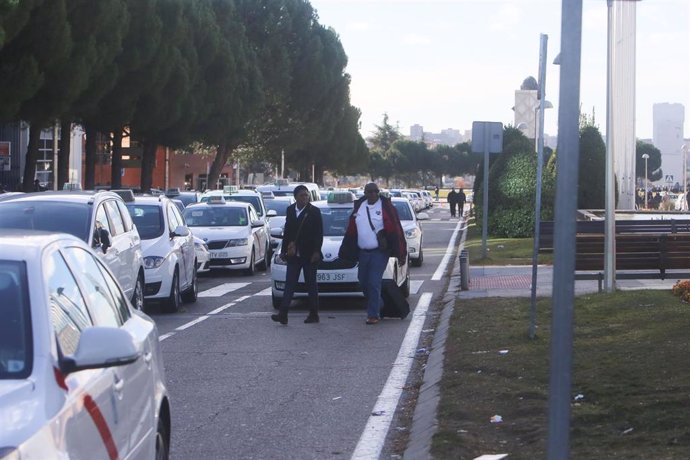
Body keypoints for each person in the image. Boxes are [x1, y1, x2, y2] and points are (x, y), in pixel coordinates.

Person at [339, 182, 407, 325]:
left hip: (380, 252)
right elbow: (351, 230)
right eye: (369, 192)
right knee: (363, 280)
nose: (372, 194)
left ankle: (373, 314)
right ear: (365, 193)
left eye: (375, 191)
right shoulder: (359, 207)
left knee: (373, 281)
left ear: (378, 192)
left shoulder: (386, 208)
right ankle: (379, 303)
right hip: (363, 252)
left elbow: (396, 229)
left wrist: (401, 253)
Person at [271, 185, 323, 325]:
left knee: (311, 284)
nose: (305, 198)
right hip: (294, 254)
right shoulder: (290, 210)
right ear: (295, 197)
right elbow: (287, 231)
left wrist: (317, 251)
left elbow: (319, 233)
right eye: (301, 195)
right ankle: (283, 313)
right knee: (290, 284)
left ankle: (314, 314)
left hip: (309, 254)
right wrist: (283, 251)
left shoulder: (314, 211)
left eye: (306, 195)